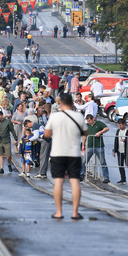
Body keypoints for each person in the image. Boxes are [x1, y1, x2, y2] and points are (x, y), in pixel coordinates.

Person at [44, 92, 86, 220]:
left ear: (60, 103)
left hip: (58, 152)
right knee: (74, 182)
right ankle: (75, 212)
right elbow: (85, 132)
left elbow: (46, 134)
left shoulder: (54, 117)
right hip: (74, 153)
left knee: (58, 181)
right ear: (73, 104)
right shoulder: (79, 117)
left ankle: (59, 212)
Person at [83, 113, 111, 182]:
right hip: (90, 146)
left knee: (102, 162)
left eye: (89, 121)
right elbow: (84, 136)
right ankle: (81, 175)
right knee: (84, 161)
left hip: (99, 146)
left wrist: (100, 132)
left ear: (93, 119)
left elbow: (106, 128)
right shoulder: (86, 126)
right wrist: (83, 144)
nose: (88, 122)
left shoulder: (99, 123)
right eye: (87, 121)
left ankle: (106, 177)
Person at [0, 109, 15, 174]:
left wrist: (15, 139)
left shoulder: (7, 122)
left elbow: (12, 130)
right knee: (0, 155)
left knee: (8, 155)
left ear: (2, 116)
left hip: (6, 140)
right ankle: (1, 168)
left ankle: (9, 164)